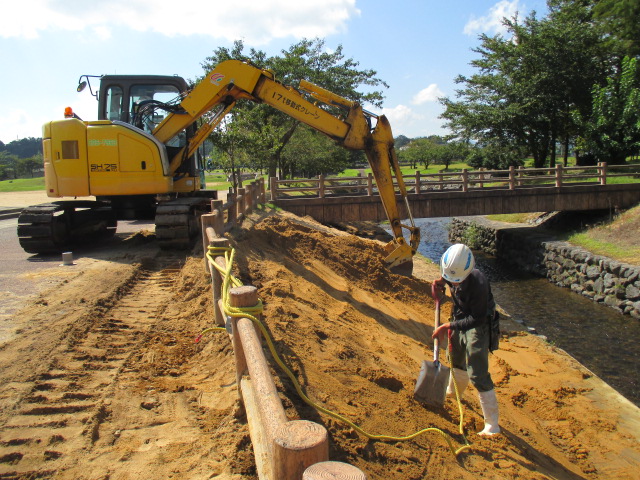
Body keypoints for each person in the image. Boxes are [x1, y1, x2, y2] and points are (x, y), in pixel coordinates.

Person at [432, 243, 500, 436]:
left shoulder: (479, 283)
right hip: (460, 318)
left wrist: (448, 326)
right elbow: (448, 276)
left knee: (477, 372)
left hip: (477, 325)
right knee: (454, 358)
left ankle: (492, 425)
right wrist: (441, 281)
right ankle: (453, 394)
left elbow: (476, 318)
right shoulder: (452, 270)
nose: (453, 284)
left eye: (457, 281)